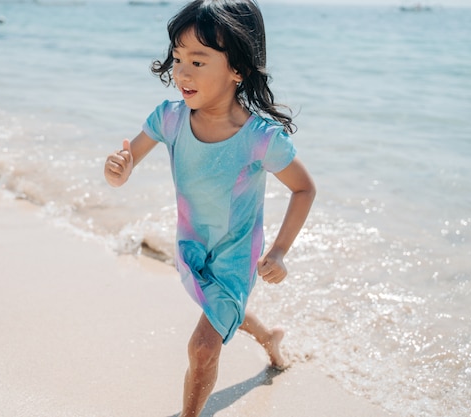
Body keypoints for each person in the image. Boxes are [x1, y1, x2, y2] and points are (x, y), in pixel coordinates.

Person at [104, 0, 315, 415]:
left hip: (237, 255)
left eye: (198, 61)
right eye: (178, 58)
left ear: (237, 68)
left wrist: (279, 251)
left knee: (202, 347)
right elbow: (126, 164)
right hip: (192, 247)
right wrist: (118, 170)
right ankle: (269, 337)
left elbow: (304, 190)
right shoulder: (170, 119)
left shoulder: (259, 137)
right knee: (219, 309)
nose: (181, 72)